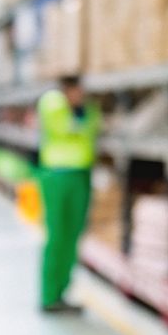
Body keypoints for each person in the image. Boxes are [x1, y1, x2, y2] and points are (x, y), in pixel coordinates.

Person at [37, 74, 100, 313]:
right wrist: (84, 113)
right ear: (66, 90)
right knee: (56, 237)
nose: (79, 95)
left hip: (80, 175)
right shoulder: (52, 103)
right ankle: (49, 295)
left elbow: (91, 125)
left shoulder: (86, 109)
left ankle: (62, 292)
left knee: (73, 237)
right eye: (75, 91)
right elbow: (70, 127)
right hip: (57, 176)